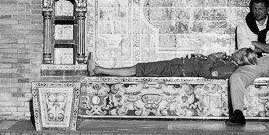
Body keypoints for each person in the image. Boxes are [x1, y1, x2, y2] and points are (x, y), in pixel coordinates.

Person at [88, 48, 258, 79]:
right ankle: (99, 69)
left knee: (139, 69)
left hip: (179, 70)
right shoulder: (228, 63)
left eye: (240, 52)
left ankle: (98, 69)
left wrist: (212, 57)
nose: (236, 51)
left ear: (242, 58)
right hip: (179, 65)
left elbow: (206, 73)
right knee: (140, 68)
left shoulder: (229, 69)